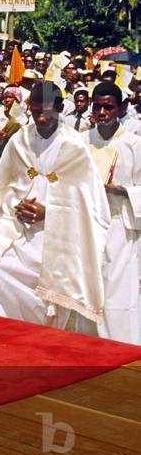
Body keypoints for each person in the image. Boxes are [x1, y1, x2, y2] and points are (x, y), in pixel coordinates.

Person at [0, 82, 110, 334]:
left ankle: (42, 341)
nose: (41, 118)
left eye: (48, 112)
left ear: (60, 109)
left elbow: (91, 206)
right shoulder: (20, 141)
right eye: (36, 111)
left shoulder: (74, 146)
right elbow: (5, 189)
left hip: (59, 238)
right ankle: (1, 336)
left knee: (51, 297)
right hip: (18, 233)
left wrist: (48, 212)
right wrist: (16, 206)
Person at [87, 81, 141, 344]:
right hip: (86, 226)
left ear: (122, 107)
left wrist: (125, 192)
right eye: (97, 107)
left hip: (120, 227)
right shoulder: (82, 141)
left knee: (118, 294)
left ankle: (121, 349)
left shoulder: (134, 145)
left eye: (108, 107)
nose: (102, 113)